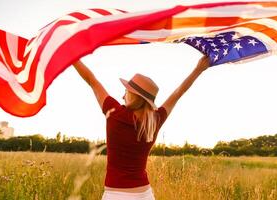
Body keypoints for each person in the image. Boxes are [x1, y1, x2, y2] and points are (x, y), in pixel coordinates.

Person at [73, 55, 210, 200]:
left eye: (126, 92)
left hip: (116, 195)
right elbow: (178, 92)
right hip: (145, 194)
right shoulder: (155, 120)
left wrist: (72, 56)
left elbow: (91, 80)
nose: (122, 96)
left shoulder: (114, 113)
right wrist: (198, 69)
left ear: (133, 96)